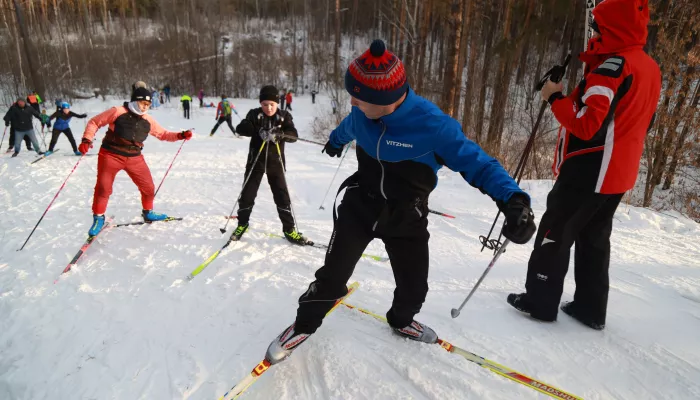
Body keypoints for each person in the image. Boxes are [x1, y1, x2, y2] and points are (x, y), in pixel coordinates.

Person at [265, 39, 536, 364]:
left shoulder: (434, 127)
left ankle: (401, 319)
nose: (352, 100)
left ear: (387, 100)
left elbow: (479, 163)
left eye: (359, 96)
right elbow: (349, 126)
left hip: (406, 217)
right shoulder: (361, 111)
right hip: (359, 207)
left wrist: (514, 200)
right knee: (331, 278)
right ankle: (304, 325)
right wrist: (335, 142)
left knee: (414, 288)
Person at [507, 0, 661, 331]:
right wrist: (569, 93)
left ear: (612, 28)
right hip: (619, 172)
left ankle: (540, 301)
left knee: (554, 231)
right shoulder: (647, 66)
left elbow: (587, 125)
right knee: (594, 237)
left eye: (597, 27)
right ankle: (591, 309)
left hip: (591, 169)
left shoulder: (612, 67)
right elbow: (641, 119)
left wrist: (553, 99)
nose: (593, 32)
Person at [79, 86, 193, 236]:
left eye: (148, 104)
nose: (146, 107)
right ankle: (98, 217)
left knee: (148, 187)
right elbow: (94, 122)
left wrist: (180, 135)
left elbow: (163, 134)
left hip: (134, 157)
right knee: (103, 188)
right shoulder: (118, 111)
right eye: (143, 103)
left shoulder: (147, 120)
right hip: (110, 155)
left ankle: (148, 212)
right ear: (135, 101)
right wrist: (87, 139)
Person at [231, 85, 310, 245]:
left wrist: (280, 135)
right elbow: (241, 128)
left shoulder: (284, 116)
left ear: (277, 104)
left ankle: (289, 230)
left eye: (272, 104)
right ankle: (242, 224)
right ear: (261, 103)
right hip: (256, 163)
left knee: (282, 197)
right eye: (265, 104)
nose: (268, 108)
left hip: (276, 164)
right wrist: (255, 129)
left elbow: (293, 135)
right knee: (247, 195)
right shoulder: (254, 114)